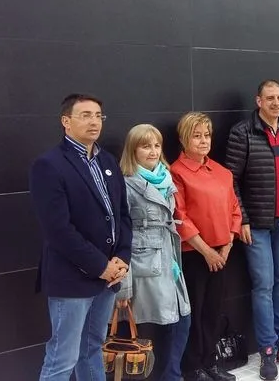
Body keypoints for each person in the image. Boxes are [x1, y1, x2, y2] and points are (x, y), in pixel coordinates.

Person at [30, 93, 132, 381]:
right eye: (85, 115)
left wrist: (122, 257)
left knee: (92, 350)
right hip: (72, 278)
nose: (94, 122)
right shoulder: (49, 165)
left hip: (108, 277)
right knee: (63, 357)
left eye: (98, 115)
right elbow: (58, 230)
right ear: (66, 121)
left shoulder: (108, 161)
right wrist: (102, 265)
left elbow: (122, 215)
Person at [225, 80, 279, 381]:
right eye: (269, 98)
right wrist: (241, 218)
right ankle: (267, 350)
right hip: (256, 224)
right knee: (263, 285)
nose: (276, 102)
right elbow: (230, 180)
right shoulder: (242, 132)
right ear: (258, 101)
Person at [116, 124, 192, 381]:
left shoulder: (165, 178)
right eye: (145, 145)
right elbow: (119, 237)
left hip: (168, 261)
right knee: (140, 330)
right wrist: (123, 287)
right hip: (142, 266)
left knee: (182, 320)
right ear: (132, 150)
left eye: (157, 145)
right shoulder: (125, 184)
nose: (153, 151)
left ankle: (172, 375)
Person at [170, 113, 243, 381]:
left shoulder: (222, 172)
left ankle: (211, 362)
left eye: (206, 135)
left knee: (213, 310)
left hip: (222, 253)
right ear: (183, 139)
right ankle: (193, 368)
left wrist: (227, 246)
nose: (203, 141)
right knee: (194, 313)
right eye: (196, 135)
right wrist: (207, 251)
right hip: (194, 255)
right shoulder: (176, 172)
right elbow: (180, 217)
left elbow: (235, 210)